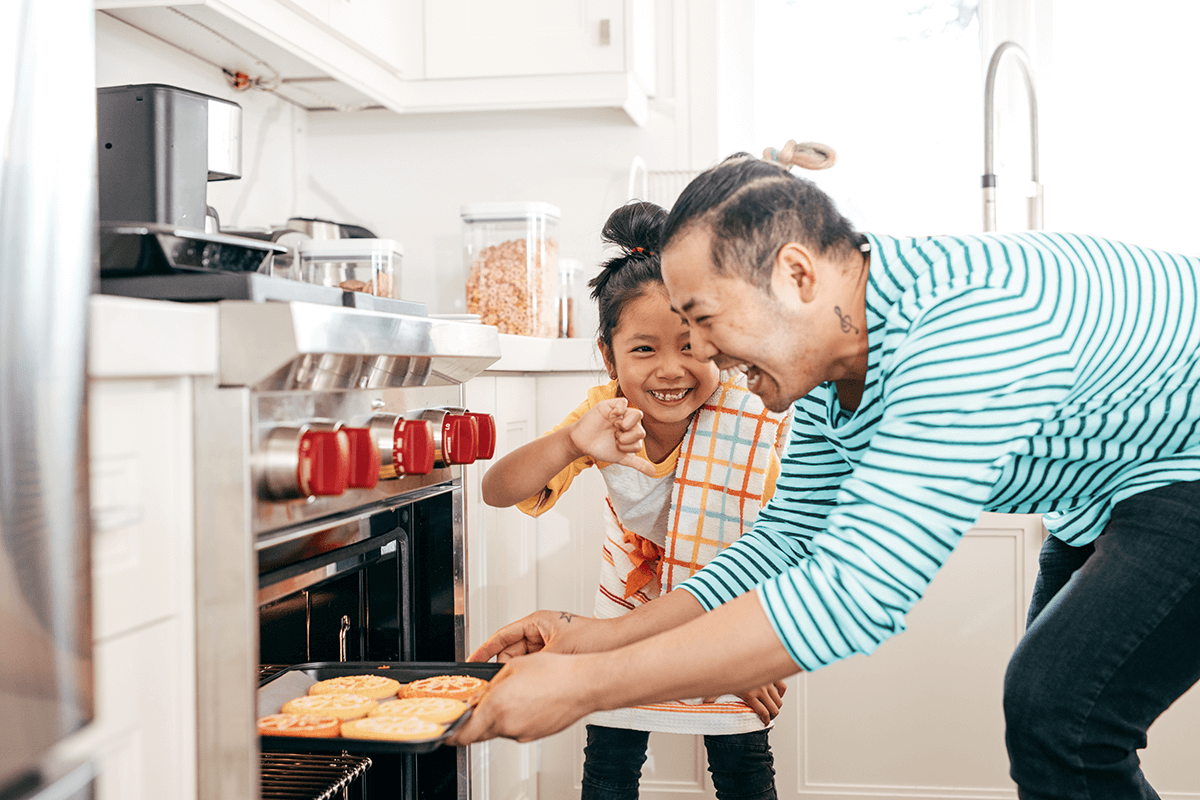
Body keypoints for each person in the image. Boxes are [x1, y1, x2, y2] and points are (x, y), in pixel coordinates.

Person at [448, 152, 1200, 800]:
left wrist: (584, 689)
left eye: (704, 318)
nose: (701, 351)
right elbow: (780, 545)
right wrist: (596, 640)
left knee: (1060, 713)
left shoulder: (963, 331)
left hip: (1184, 463)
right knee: (1053, 725)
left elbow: (854, 594)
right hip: (1106, 495)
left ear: (797, 276)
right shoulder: (833, 371)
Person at [481, 200, 791, 800]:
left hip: (733, 618)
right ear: (609, 357)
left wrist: (750, 650)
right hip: (623, 616)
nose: (671, 370)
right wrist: (572, 440)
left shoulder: (749, 416)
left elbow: (781, 540)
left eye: (690, 346)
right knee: (610, 765)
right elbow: (498, 491)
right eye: (644, 349)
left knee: (744, 768)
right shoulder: (605, 415)